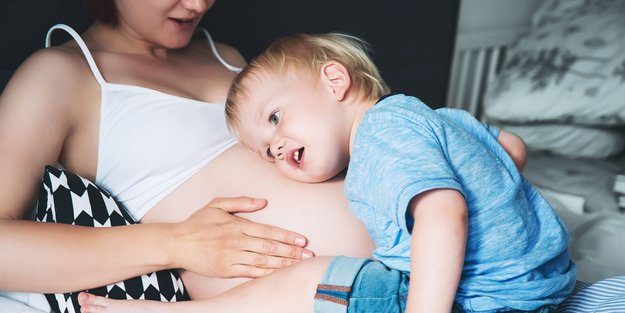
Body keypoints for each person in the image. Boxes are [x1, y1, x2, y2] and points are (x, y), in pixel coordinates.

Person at [75, 33, 577, 313]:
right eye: (265, 151)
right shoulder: (425, 118)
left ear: (335, 80)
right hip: (541, 282)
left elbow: (444, 213)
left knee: (312, 279)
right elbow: (509, 147)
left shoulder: (382, 134)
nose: (274, 146)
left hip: (485, 301)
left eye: (275, 118)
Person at [0, 1, 374, 311]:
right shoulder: (59, 75)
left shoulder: (227, 57)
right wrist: (176, 243)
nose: (198, 4)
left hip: (394, 270)